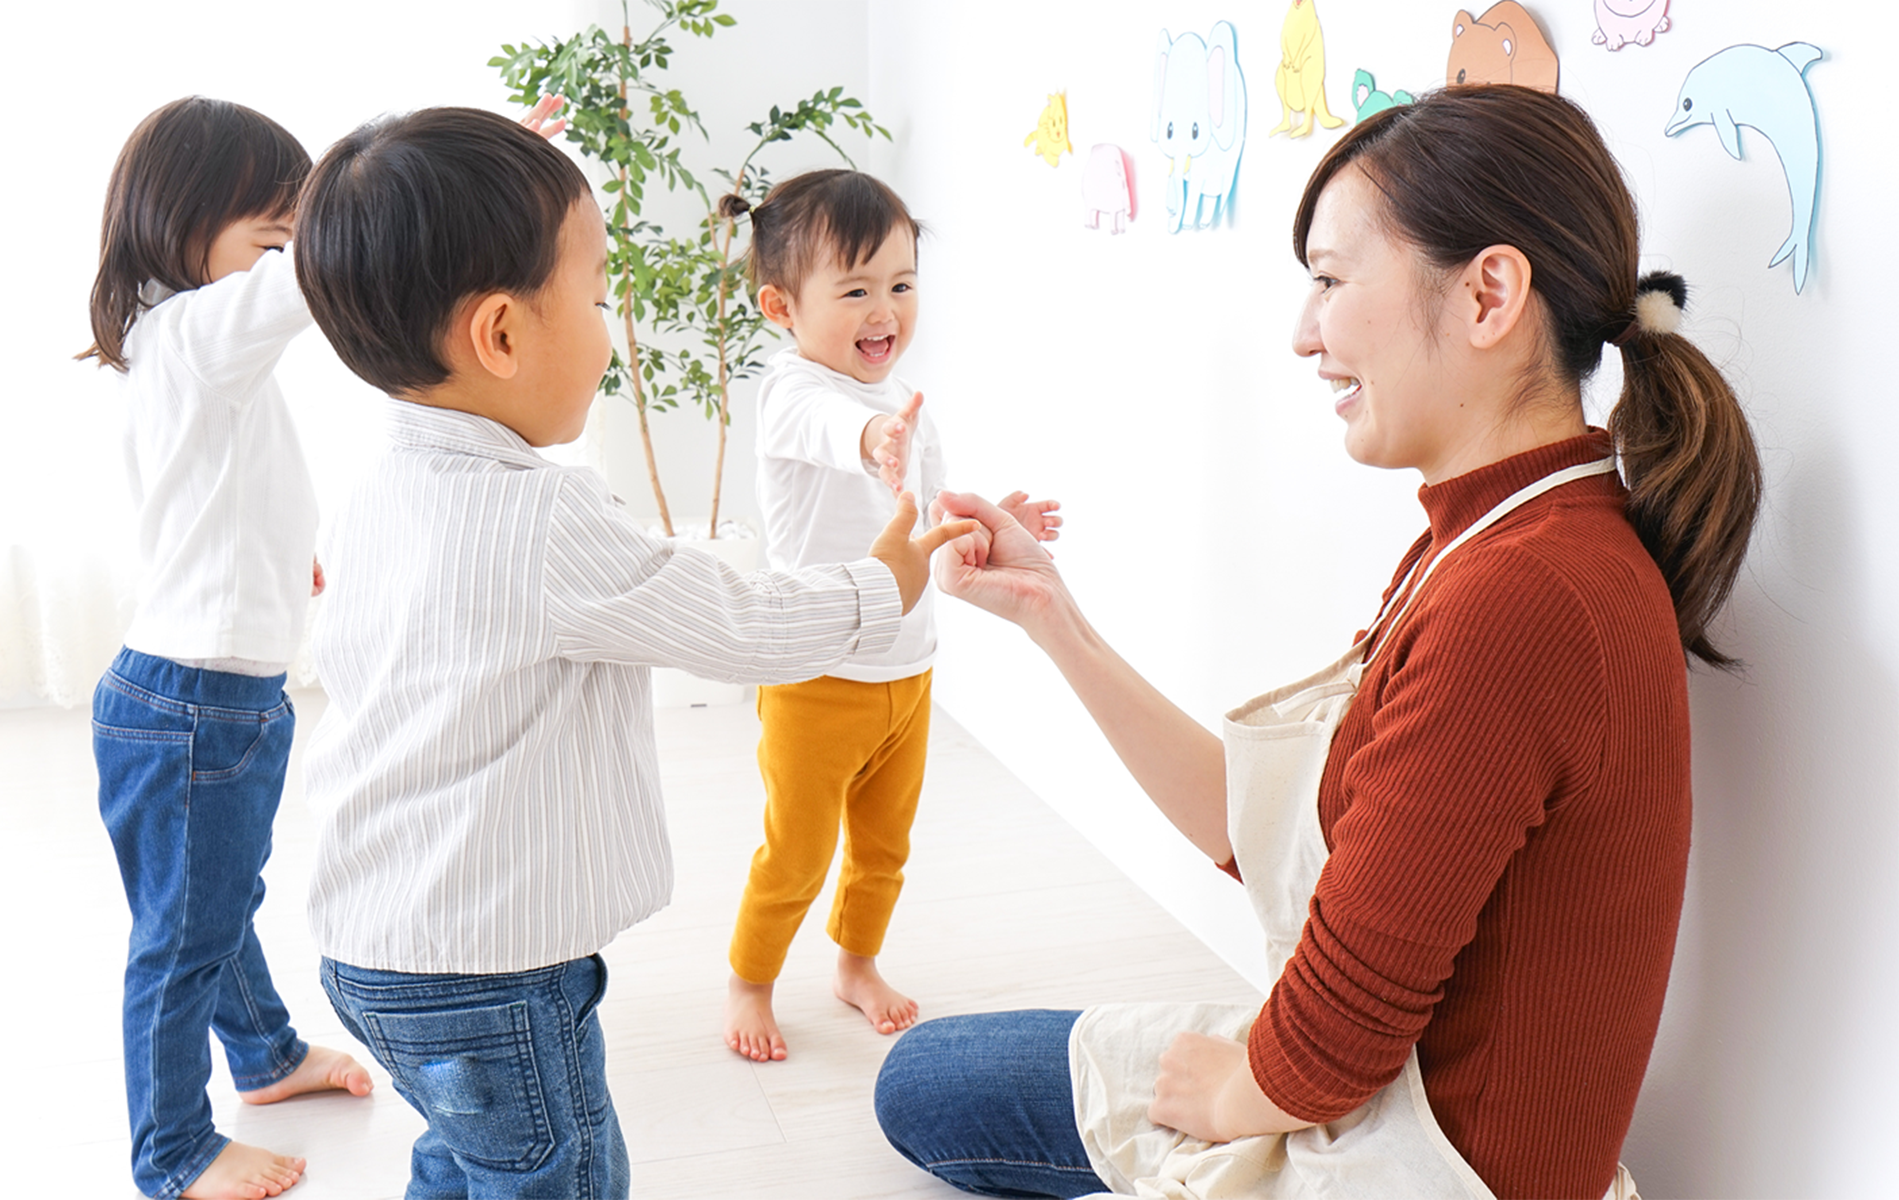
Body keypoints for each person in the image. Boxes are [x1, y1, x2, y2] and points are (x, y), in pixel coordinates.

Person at [874, 86, 1760, 1200]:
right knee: (930, 1078)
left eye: (1332, 281)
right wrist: (1050, 613)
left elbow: (1332, 1050)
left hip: (1424, 1157)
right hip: (1390, 1094)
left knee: (925, 1087)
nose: (1304, 333)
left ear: (1488, 293)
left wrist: (1227, 1097)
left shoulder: (1521, 598)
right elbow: (1266, 832)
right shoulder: (1506, 537)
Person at [289, 107, 975, 1199]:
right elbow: (733, 622)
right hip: (489, 969)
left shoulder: (377, 490)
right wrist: (880, 585)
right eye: (600, 294)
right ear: (503, 337)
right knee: (559, 1172)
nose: (613, 325)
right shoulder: (542, 522)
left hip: (374, 943)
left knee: (467, 1149)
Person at [83, 97, 374, 1200]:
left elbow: (207, 498)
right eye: (278, 213)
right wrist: (420, 170)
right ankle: (172, 1153)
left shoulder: (176, 343)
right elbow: (301, 284)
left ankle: (266, 1057)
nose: (297, 234)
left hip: (189, 693)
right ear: (186, 212)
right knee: (183, 938)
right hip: (197, 702)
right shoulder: (202, 335)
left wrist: (275, 553)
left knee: (210, 903)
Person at [718, 170, 1063, 1062]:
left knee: (884, 847)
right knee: (795, 852)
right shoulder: (795, 391)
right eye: (857, 289)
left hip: (906, 671)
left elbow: (927, 533)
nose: (886, 311)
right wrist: (876, 441)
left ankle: (856, 964)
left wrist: (992, 526)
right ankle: (749, 980)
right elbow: (842, 434)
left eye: (903, 285)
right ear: (781, 308)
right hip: (816, 676)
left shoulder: (907, 404)